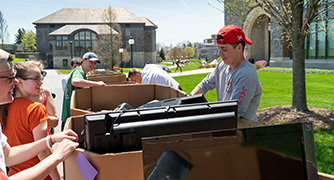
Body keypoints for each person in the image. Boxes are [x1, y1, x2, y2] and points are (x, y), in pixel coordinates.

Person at [0, 49, 78, 180]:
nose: (14, 82)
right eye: (9, 78)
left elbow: (7, 155)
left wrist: (51, 140)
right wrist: (57, 156)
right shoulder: (34, 109)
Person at [191, 25, 262, 123]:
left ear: (239, 48)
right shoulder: (222, 65)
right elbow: (205, 85)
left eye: (224, 49)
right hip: (226, 126)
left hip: (243, 132)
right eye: (219, 48)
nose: (219, 54)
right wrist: (187, 102)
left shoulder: (247, 75)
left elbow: (234, 112)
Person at [1, 61, 60, 179]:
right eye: (36, 79)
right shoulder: (36, 109)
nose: (41, 82)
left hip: (15, 174)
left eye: (41, 77)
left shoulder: (4, 107)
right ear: (20, 81)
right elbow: (43, 153)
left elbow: (8, 156)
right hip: (40, 174)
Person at [61, 52, 106, 130]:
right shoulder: (78, 71)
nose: (93, 65)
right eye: (91, 62)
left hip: (70, 116)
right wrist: (97, 84)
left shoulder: (82, 73)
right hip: (70, 118)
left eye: (95, 63)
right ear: (83, 60)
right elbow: (75, 81)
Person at [28, 60, 58, 135]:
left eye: (42, 73)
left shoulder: (45, 92)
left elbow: (55, 121)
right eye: (36, 75)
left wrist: (38, 117)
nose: (41, 77)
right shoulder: (17, 95)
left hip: (44, 138)